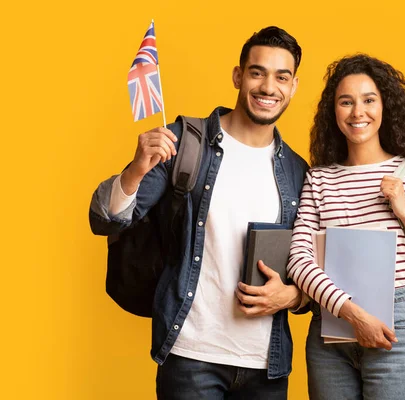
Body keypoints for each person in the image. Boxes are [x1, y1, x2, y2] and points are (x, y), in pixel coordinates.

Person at [89, 26, 309, 400]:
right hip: (191, 357)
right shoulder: (187, 141)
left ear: (293, 86)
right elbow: (106, 218)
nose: (268, 87)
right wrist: (137, 169)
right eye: (257, 72)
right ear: (238, 76)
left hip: (266, 366)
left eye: (281, 77)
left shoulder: (298, 171)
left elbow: (309, 269)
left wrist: (292, 297)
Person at [286, 54, 405, 400]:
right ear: (332, 111)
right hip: (331, 327)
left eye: (369, 100)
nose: (358, 113)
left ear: (385, 107)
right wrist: (351, 313)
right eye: (346, 102)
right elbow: (299, 261)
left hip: (394, 323)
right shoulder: (319, 179)